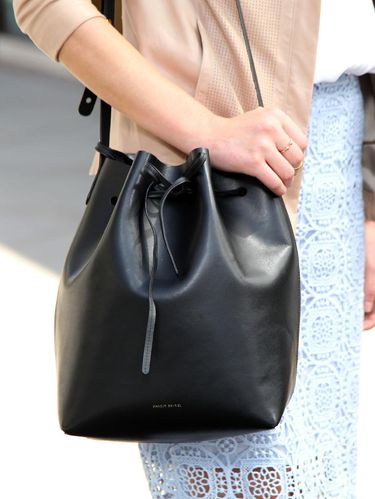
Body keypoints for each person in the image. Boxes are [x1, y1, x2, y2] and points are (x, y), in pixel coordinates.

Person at [13, 0, 375, 496]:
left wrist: (371, 201)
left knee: (327, 477)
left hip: (337, 159)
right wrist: (206, 131)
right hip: (199, 174)